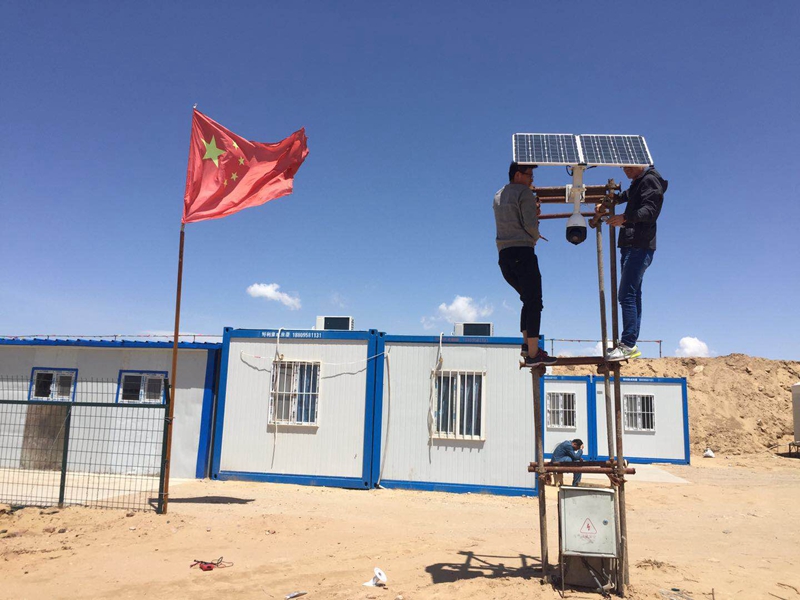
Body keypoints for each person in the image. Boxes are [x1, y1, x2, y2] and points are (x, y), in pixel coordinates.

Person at [494, 162, 556, 367]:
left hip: (504, 257)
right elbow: (529, 225)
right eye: (530, 175)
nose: (532, 180)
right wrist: (536, 234)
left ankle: (526, 346)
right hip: (523, 252)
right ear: (518, 175)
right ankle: (533, 353)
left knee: (527, 301)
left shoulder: (498, 195)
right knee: (535, 302)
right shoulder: (524, 193)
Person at [605, 165, 668, 361]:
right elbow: (627, 195)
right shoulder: (639, 183)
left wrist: (625, 218)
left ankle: (628, 344)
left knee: (626, 295)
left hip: (639, 246)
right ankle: (629, 343)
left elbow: (650, 211)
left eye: (627, 166)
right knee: (633, 295)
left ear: (639, 163)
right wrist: (611, 200)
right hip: (632, 244)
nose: (624, 170)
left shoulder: (650, 181)